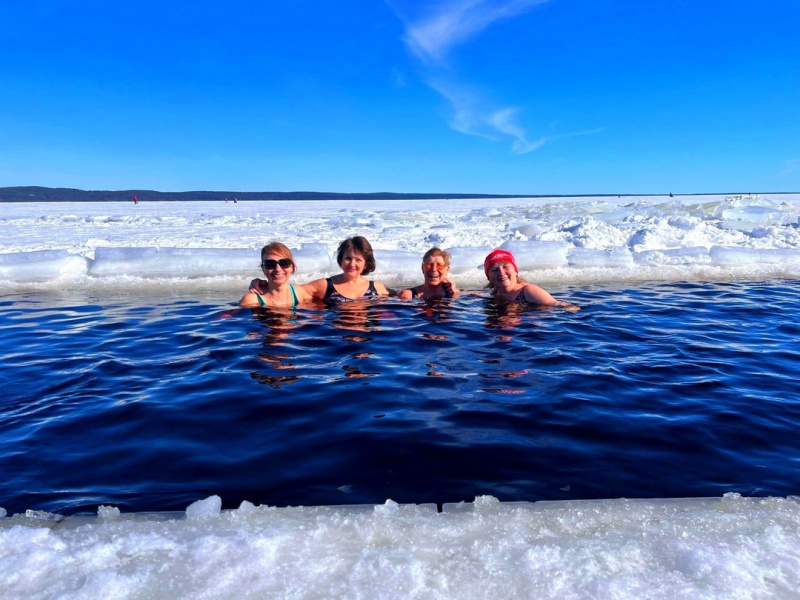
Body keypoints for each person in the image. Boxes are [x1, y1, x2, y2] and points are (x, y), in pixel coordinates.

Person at [483, 249, 579, 311]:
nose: (501, 273)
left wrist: (572, 309)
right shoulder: (495, 293)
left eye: (505, 267)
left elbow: (555, 304)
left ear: (515, 270)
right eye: (495, 270)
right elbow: (480, 293)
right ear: (489, 277)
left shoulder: (528, 291)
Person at [303, 236, 391, 303]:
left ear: (365, 264)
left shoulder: (376, 288)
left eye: (358, 260)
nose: (352, 264)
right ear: (341, 260)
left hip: (367, 327)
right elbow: (296, 291)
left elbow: (401, 295)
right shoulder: (326, 286)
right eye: (348, 258)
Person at [239, 242, 313, 308]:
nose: (278, 269)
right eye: (270, 264)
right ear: (263, 268)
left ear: (292, 267)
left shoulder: (300, 293)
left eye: (284, 263)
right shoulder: (251, 300)